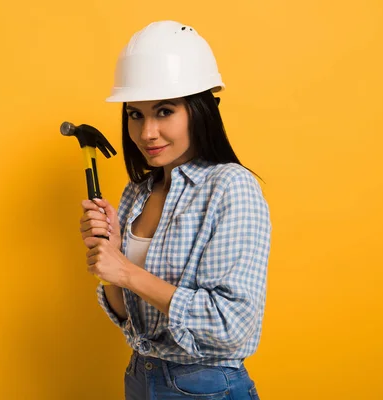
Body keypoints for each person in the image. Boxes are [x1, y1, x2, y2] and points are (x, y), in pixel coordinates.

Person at [79, 20, 271, 399]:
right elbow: (130, 316)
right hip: (139, 376)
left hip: (207, 386)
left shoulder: (231, 187)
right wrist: (109, 259)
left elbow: (231, 323)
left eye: (164, 111)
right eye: (135, 114)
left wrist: (127, 272)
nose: (146, 132)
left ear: (200, 110)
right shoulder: (138, 191)